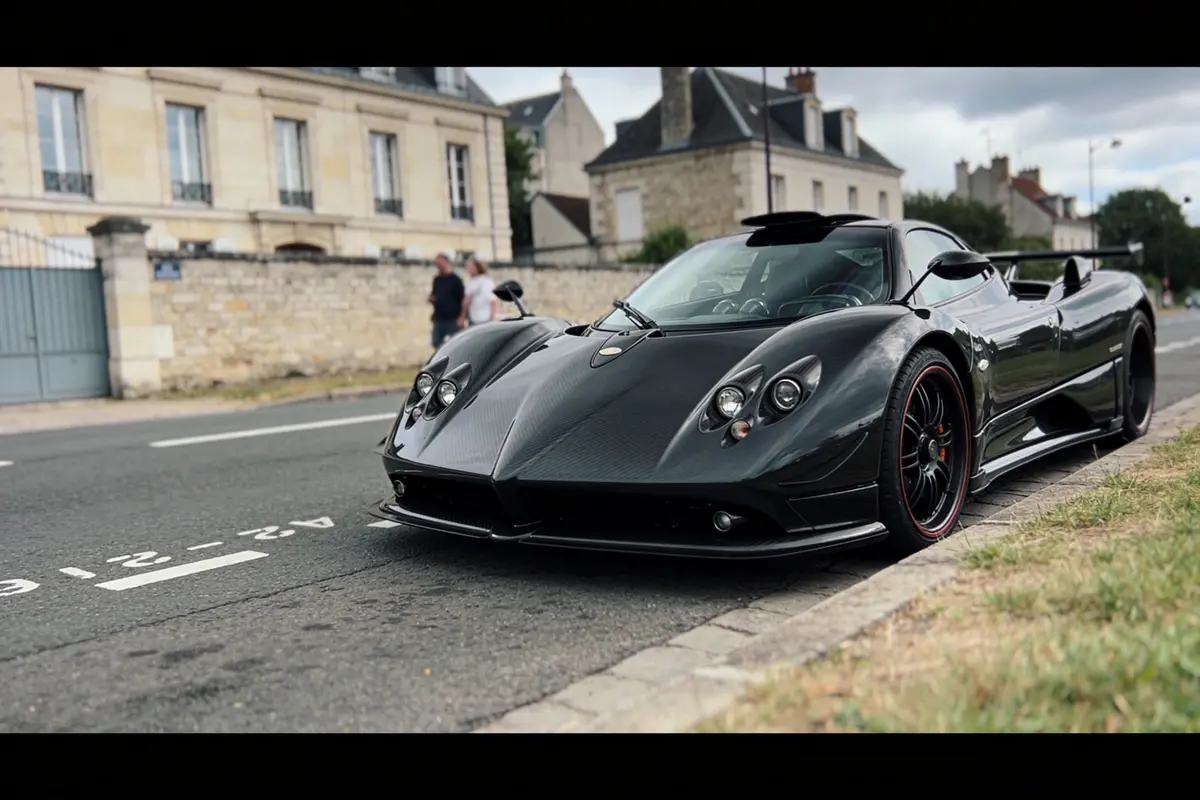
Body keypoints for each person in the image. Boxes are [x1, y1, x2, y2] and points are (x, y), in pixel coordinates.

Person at [428, 253, 465, 351]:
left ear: (447, 263)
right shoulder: (437, 280)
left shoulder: (456, 280)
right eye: (437, 265)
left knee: (454, 344)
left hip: (453, 318)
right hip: (439, 318)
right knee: (436, 342)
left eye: (440, 264)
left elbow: (463, 299)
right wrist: (432, 299)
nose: (438, 267)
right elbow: (434, 294)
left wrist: (462, 317)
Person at [460, 257, 499, 327]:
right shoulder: (475, 281)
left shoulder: (485, 282)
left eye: (469, 267)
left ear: (476, 267)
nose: (468, 269)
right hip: (475, 318)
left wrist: (462, 317)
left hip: (484, 319)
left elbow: (493, 301)